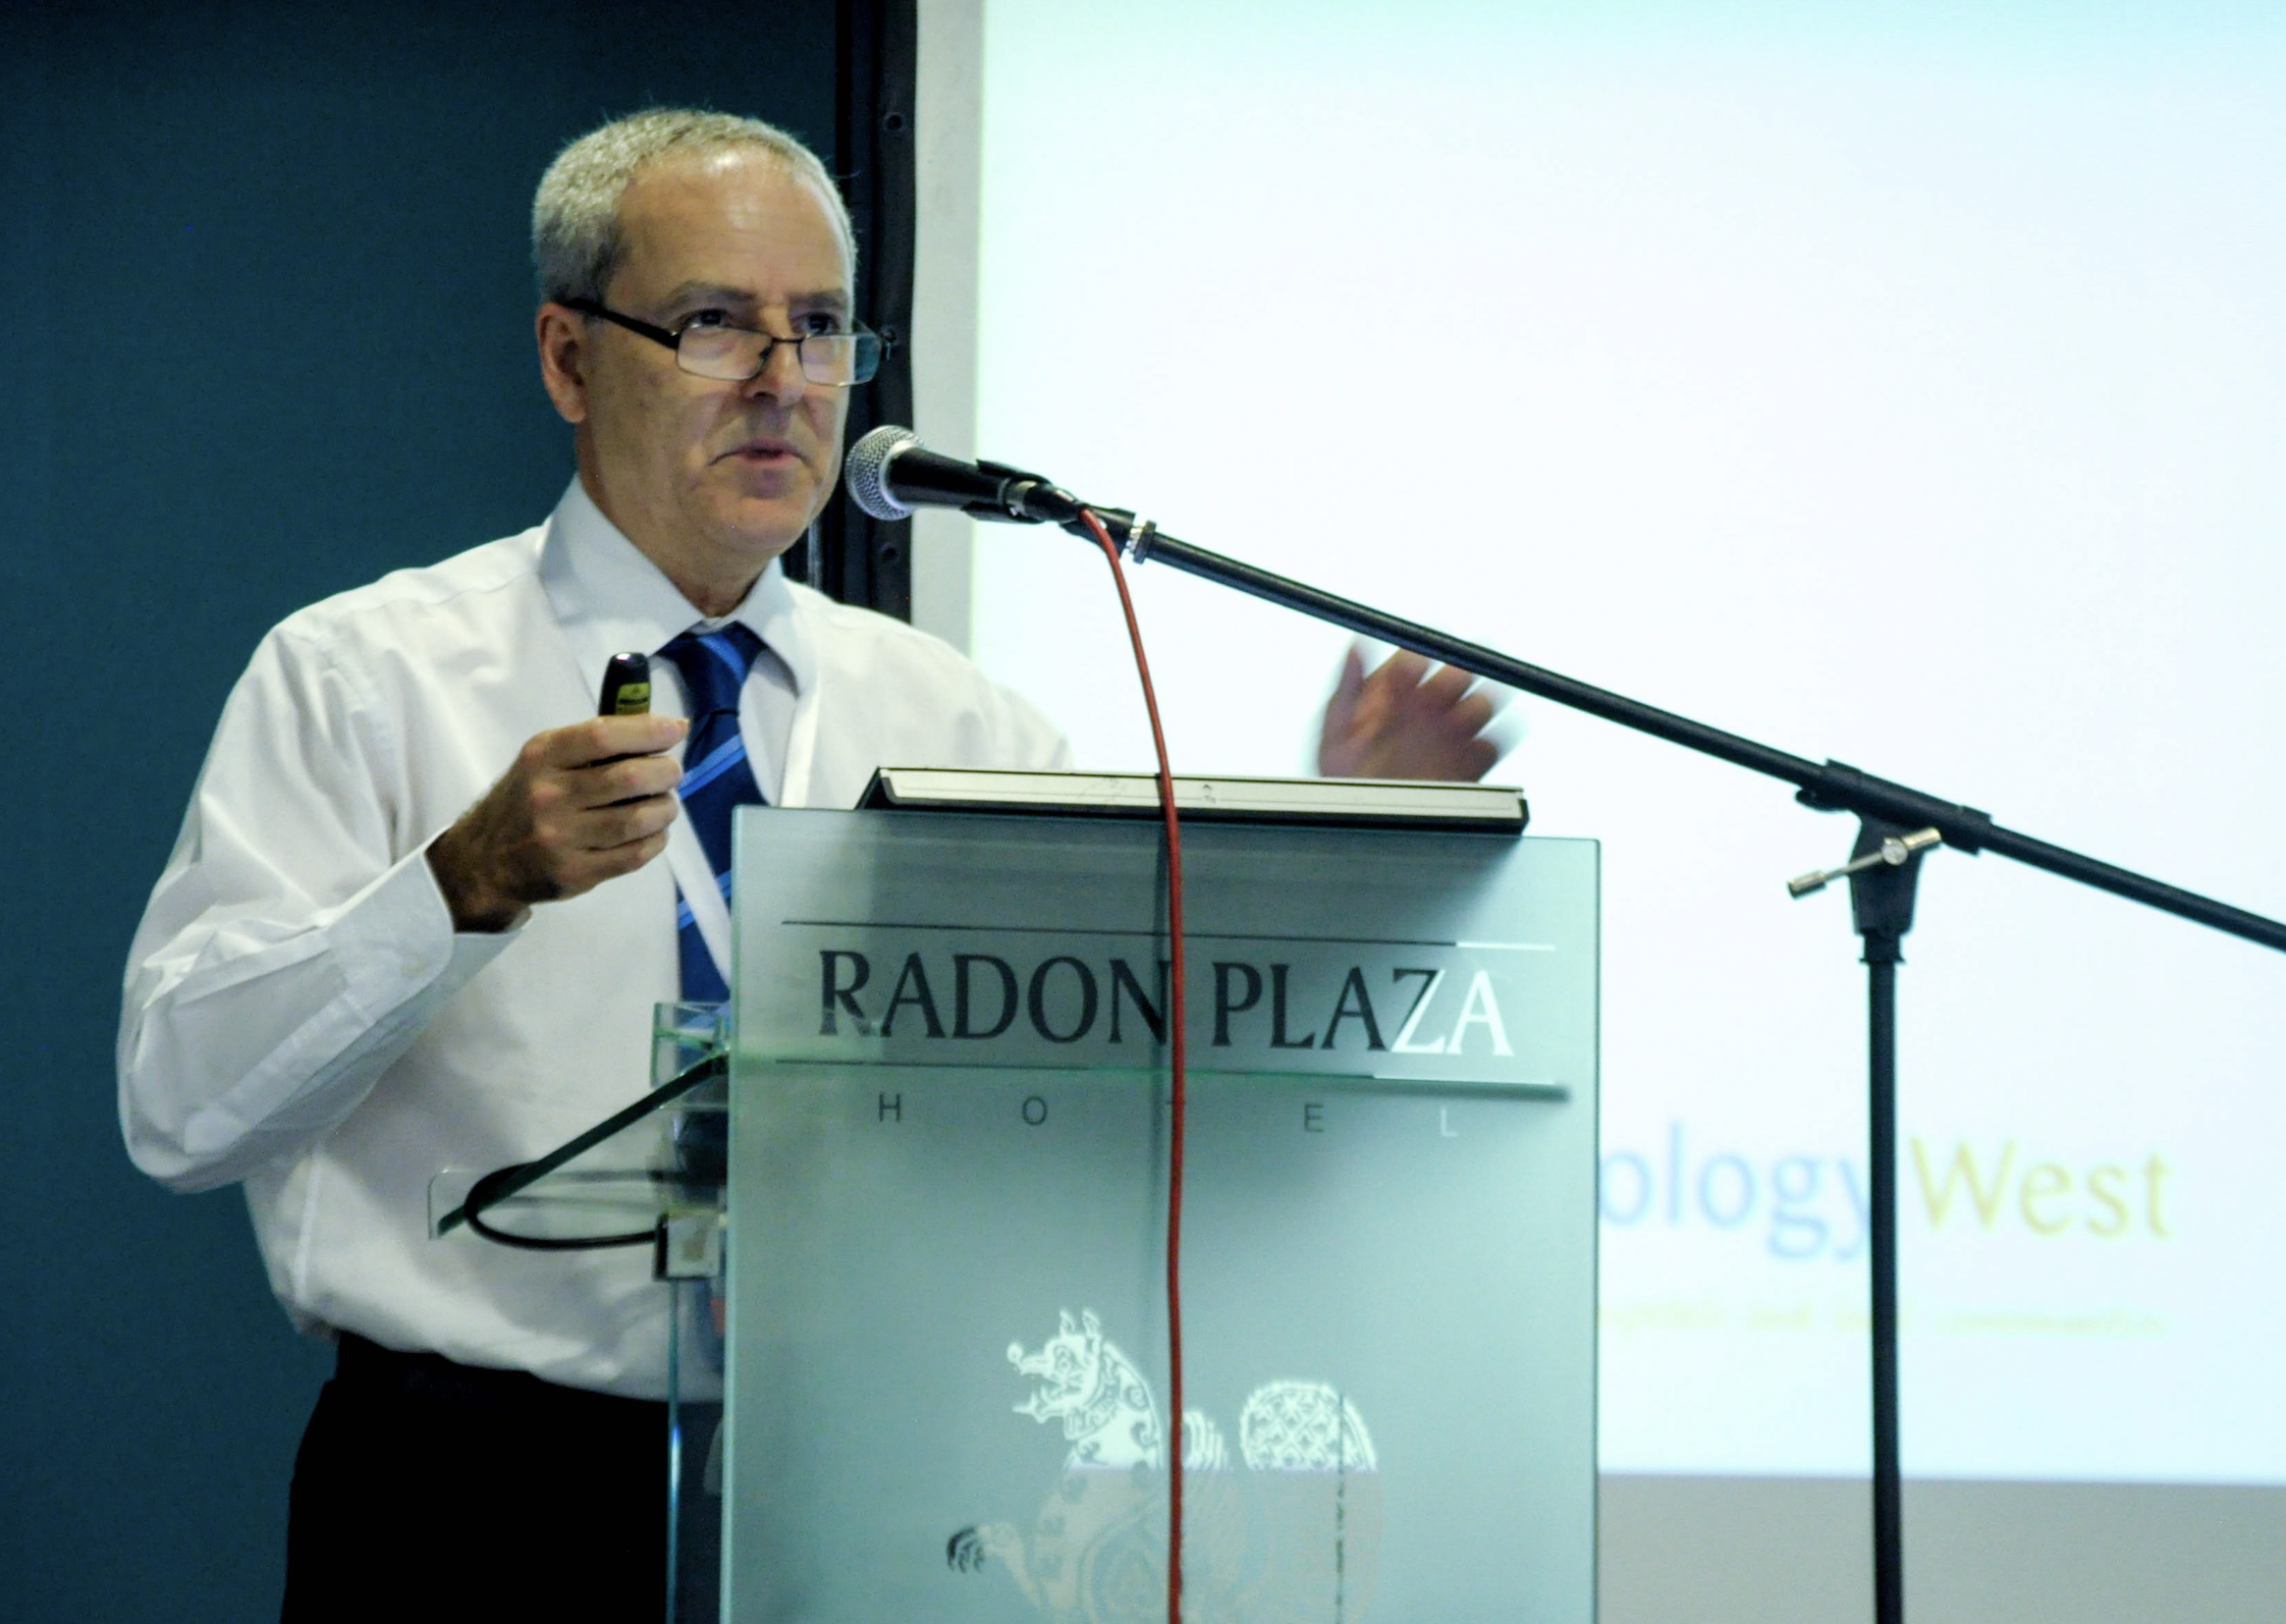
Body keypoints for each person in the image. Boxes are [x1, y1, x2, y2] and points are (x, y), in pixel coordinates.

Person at [117, 109, 1498, 1617]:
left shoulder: (947, 713)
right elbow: (181, 1106)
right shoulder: (362, 676)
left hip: (870, 1483)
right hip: (476, 1498)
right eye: (718, 323)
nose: (784, 384)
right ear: (568, 357)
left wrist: (1354, 843)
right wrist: (461, 883)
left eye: (823, 328)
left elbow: (1145, 1046)